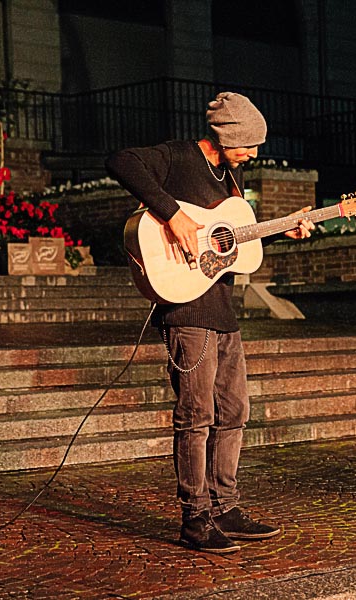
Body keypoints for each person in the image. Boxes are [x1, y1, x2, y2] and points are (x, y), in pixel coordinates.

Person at [105, 92, 314, 554]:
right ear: (224, 134)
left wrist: (285, 228)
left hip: (223, 311)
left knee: (234, 410)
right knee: (195, 416)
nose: (253, 154)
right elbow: (120, 160)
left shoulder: (232, 176)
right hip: (187, 311)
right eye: (246, 144)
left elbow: (229, 244)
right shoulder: (179, 156)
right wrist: (172, 213)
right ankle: (195, 517)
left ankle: (225, 506)